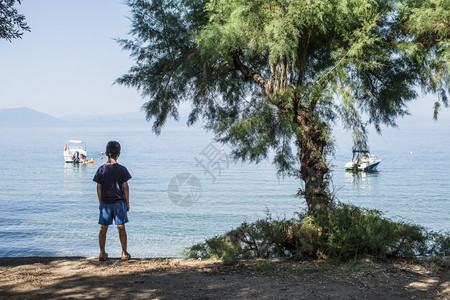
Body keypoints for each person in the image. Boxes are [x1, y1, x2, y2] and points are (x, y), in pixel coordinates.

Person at [93, 141, 132, 261]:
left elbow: (98, 187)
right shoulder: (122, 169)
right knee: (121, 227)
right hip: (119, 202)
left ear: (106, 153)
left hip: (106, 202)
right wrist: (127, 202)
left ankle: (102, 253)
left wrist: (100, 202)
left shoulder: (101, 169)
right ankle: (124, 253)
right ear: (119, 154)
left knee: (103, 228)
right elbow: (125, 186)